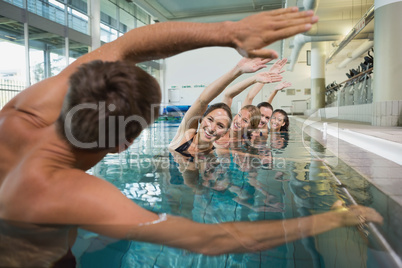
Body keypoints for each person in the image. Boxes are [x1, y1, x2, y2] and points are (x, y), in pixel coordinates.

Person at [0, 7, 382, 267]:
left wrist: (229, 35)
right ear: (122, 145)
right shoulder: (72, 193)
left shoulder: (30, 106)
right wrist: (332, 220)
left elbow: (129, 45)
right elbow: (209, 242)